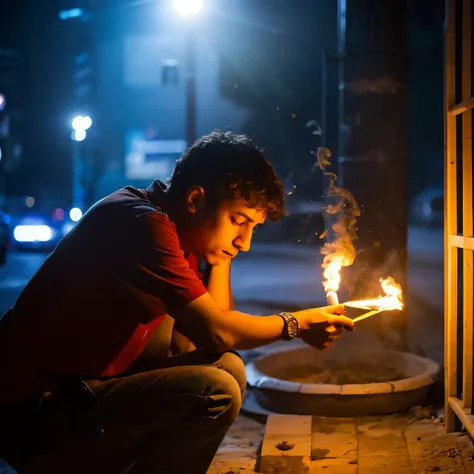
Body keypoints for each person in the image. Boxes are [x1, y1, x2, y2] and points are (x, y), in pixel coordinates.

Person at [0, 130, 353, 474]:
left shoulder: (174, 231)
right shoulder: (142, 224)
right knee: (216, 391)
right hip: (35, 416)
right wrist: (296, 323)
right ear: (195, 200)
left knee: (226, 367)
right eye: (238, 222)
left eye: (252, 229)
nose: (244, 242)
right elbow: (219, 331)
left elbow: (200, 338)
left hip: (77, 399)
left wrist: (221, 253)